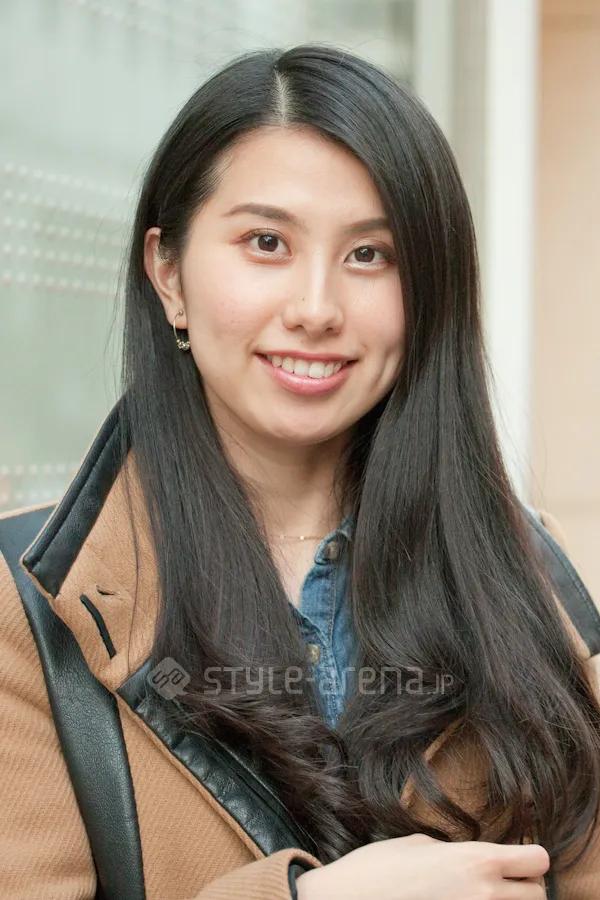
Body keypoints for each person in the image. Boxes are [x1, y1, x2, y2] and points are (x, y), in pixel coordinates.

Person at [1, 44, 599, 900]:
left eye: (371, 255)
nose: (316, 309)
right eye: (266, 242)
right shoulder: (27, 604)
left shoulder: (527, 574)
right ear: (168, 273)